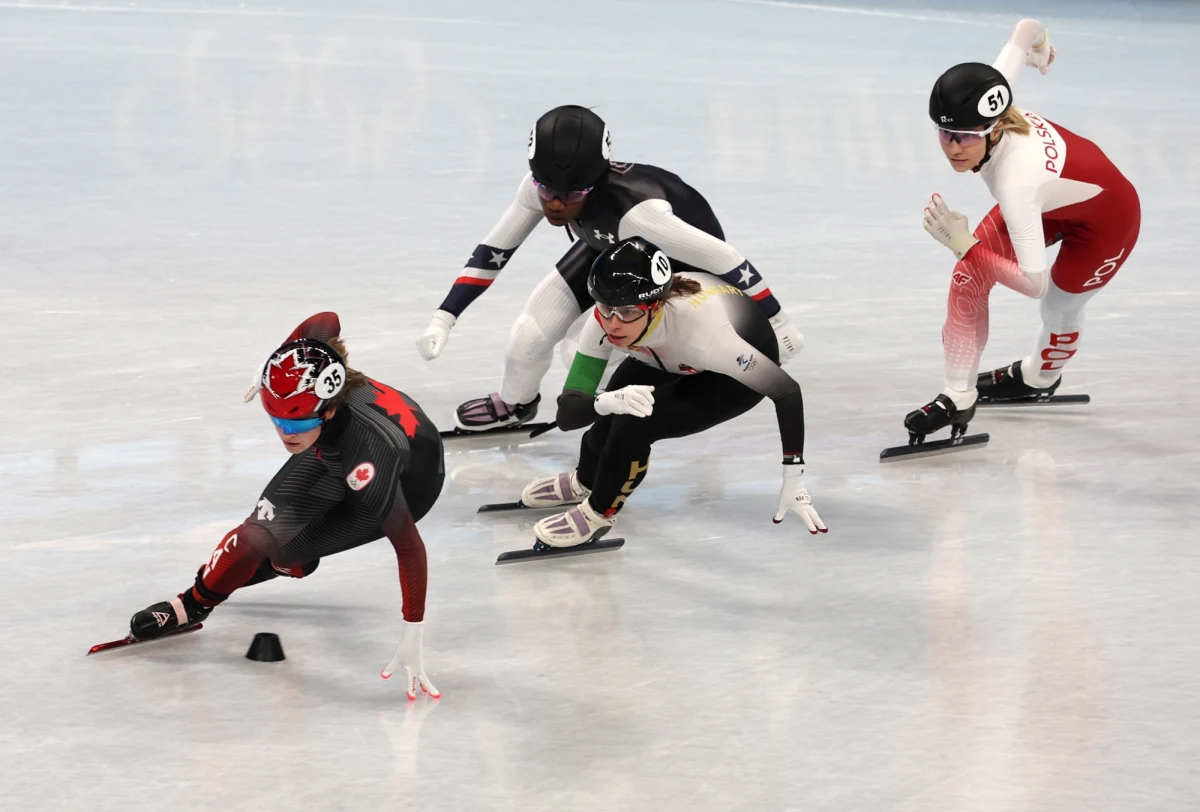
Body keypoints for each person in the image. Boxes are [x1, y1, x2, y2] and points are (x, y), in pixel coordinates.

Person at [415, 104, 807, 432]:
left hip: (675, 272)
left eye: (571, 195)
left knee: (580, 355)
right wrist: (444, 317)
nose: (554, 204)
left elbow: (725, 258)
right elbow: (495, 249)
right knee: (526, 338)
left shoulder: (642, 215)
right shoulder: (537, 188)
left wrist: (776, 322)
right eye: (546, 190)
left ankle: (609, 444)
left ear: (596, 182)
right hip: (610, 251)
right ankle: (515, 404)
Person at [129, 312, 445, 700]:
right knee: (253, 538)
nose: (284, 434)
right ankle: (192, 605)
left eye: (293, 426)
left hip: (408, 484)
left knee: (286, 552)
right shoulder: (314, 365)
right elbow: (325, 320)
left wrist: (413, 628)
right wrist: (273, 370)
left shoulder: (367, 459)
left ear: (328, 409)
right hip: (332, 450)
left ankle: (292, 559)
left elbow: (409, 547)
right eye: (274, 419)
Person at [908, 18, 1140, 438]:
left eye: (964, 137)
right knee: (967, 278)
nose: (954, 148)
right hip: (1051, 198)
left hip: (1108, 221)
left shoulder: (1016, 181)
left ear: (994, 130)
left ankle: (1039, 378)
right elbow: (1026, 28)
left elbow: (1033, 282)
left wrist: (964, 243)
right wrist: (1039, 46)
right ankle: (957, 397)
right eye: (945, 133)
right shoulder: (993, 92)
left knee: (1056, 306)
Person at [514, 237, 827, 548]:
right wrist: (605, 401)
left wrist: (794, 478)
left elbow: (786, 391)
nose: (613, 324)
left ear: (657, 306)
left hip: (730, 372)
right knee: (613, 407)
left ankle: (599, 514)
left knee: (634, 423)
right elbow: (569, 415)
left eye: (628, 312)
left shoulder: (709, 338)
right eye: (606, 308)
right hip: (666, 352)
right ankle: (586, 480)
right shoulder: (605, 321)